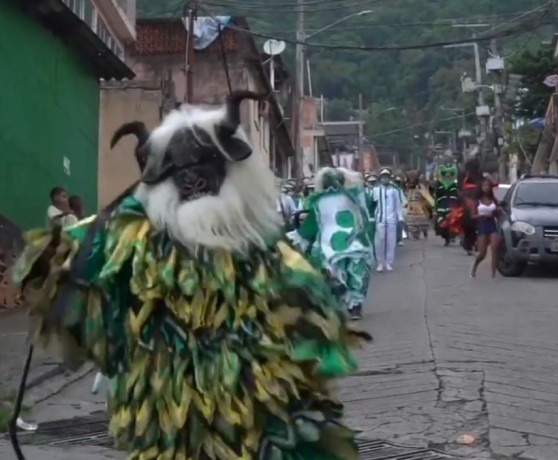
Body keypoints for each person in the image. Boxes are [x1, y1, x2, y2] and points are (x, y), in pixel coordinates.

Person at [12, 91, 369, 459]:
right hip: (163, 410)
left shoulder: (264, 250)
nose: (195, 184)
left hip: (255, 409)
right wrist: (49, 263)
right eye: (182, 176)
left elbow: (313, 320)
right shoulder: (131, 235)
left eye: (206, 171)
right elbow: (71, 262)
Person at [289, 167, 374, 321]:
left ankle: (347, 305)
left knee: (340, 274)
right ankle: (352, 306)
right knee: (353, 274)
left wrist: (300, 238)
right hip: (348, 244)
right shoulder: (350, 196)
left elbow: (310, 225)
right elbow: (312, 223)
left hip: (334, 245)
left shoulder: (324, 200)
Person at [469, 178, 502, 278]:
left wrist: (497, 211)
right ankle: (474, 267)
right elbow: (472, 215)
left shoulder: (493, 200)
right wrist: (482, 215)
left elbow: (498, 213)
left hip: (492, 225)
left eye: (488, 185)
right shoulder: (477, 201)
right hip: (482, 225)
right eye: (484, 186)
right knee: (482, 253)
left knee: (495, 247)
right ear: (481, 187)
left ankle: (493, 274)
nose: (486, 187)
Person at [373, 167, 402, 272]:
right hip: (379, 219)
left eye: (387, 177)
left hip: (391, 219)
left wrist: (400, 217)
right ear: (380, 178)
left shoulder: (394, 191)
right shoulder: (375, 190)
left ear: (389, 178)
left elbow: (398, 205)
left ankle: (389, 262)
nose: (385, 179)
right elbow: (372, 205)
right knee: (379, 241)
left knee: (391, 242)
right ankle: (380, 262)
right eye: (383, 177)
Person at [433, 160, 459, 245]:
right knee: (440, 221)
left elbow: (457, 194)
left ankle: (453, 236)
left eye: (449, 173)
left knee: (454, 221)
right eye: (446, 173)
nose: (447, 175)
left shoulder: (455, 183)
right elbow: (436, 195)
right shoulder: (439, 183)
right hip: (441, 204)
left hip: (452, 204)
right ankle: (445, 237)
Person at [404, 170, 434, 239]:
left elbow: (426, 195)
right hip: (410, 206)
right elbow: (407, 196)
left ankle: (424, 231)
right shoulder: (408, 187)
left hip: (420, 205)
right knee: (411, 221)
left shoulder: (420, 187)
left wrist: (431, 203)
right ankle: (415, 234)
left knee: (422, 220)